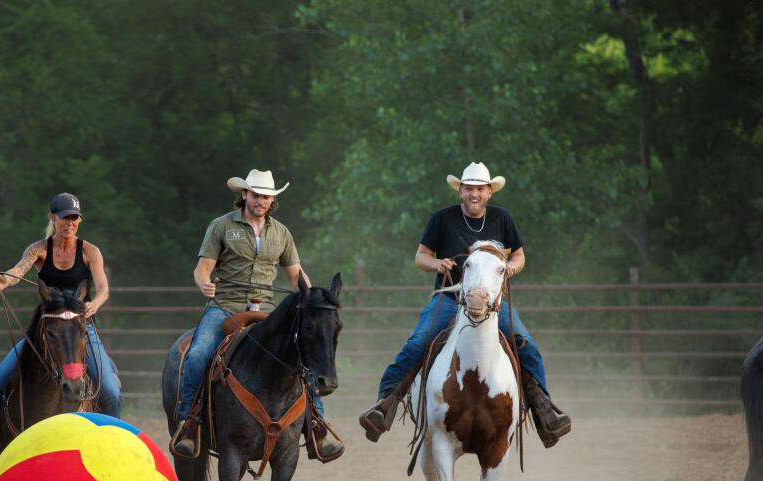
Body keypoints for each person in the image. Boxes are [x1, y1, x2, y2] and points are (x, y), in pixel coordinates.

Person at [358, 162, 571, 447]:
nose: (474, 194)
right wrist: (436, 263)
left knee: (525, 343)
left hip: (493, 303)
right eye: (469, 188)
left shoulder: (502, 219)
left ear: (489, 192)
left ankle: (543, 410)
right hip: (450, 297)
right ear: (460, 190)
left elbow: (519, 255)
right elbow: (420, 256)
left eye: (480, 189)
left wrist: (510, 268)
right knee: (418, 342)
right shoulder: (442, 219)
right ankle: (384, 406)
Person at [169, 169, 344, 461]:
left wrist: (312, 301)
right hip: (225, 306)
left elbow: (296, 276)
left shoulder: (281, 233)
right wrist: (204, 283)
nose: (261, 200)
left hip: (268, 311)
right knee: (199, 353)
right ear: (244, 195)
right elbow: (202, 269)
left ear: (271, 200)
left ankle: (317, 426)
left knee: (302, 354)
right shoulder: (222, 226)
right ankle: (189, 422)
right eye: (256, 195)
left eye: (266, 196)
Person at [0, 192, 121, 474]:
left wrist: (94, 305)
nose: (70, 223)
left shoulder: (90, 252)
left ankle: (115, 448)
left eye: (74, 218)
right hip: (45, 330)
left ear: (79, 220)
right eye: (64, 217)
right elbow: (18, 271)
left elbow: (103, 289)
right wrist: (4, 280)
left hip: (79, 328)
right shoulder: (39, 249)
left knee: (110, 389)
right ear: (53, 218)